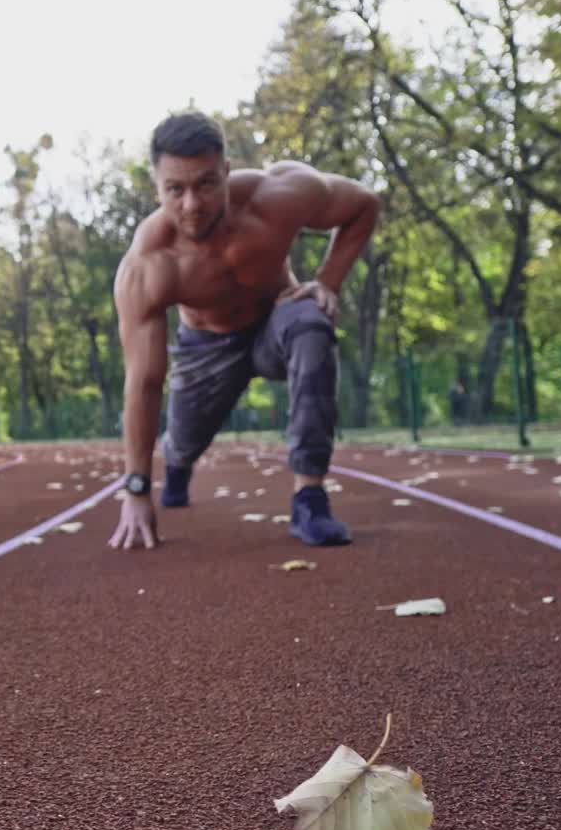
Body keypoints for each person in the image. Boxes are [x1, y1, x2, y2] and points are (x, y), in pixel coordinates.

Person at [109, 111, 380, 553]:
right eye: (175, 190)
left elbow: (364, 205)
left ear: (227, 172)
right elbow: (143, 383)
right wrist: (137, 489)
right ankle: (178, 464)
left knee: (312, 320)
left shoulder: (277, 197)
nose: (192, 204)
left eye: (206, 184)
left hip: (275, 321)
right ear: (156, 187)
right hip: (206, 348)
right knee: (182, 442)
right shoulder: (148, 266)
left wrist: (328, 281)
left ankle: (309, 497)